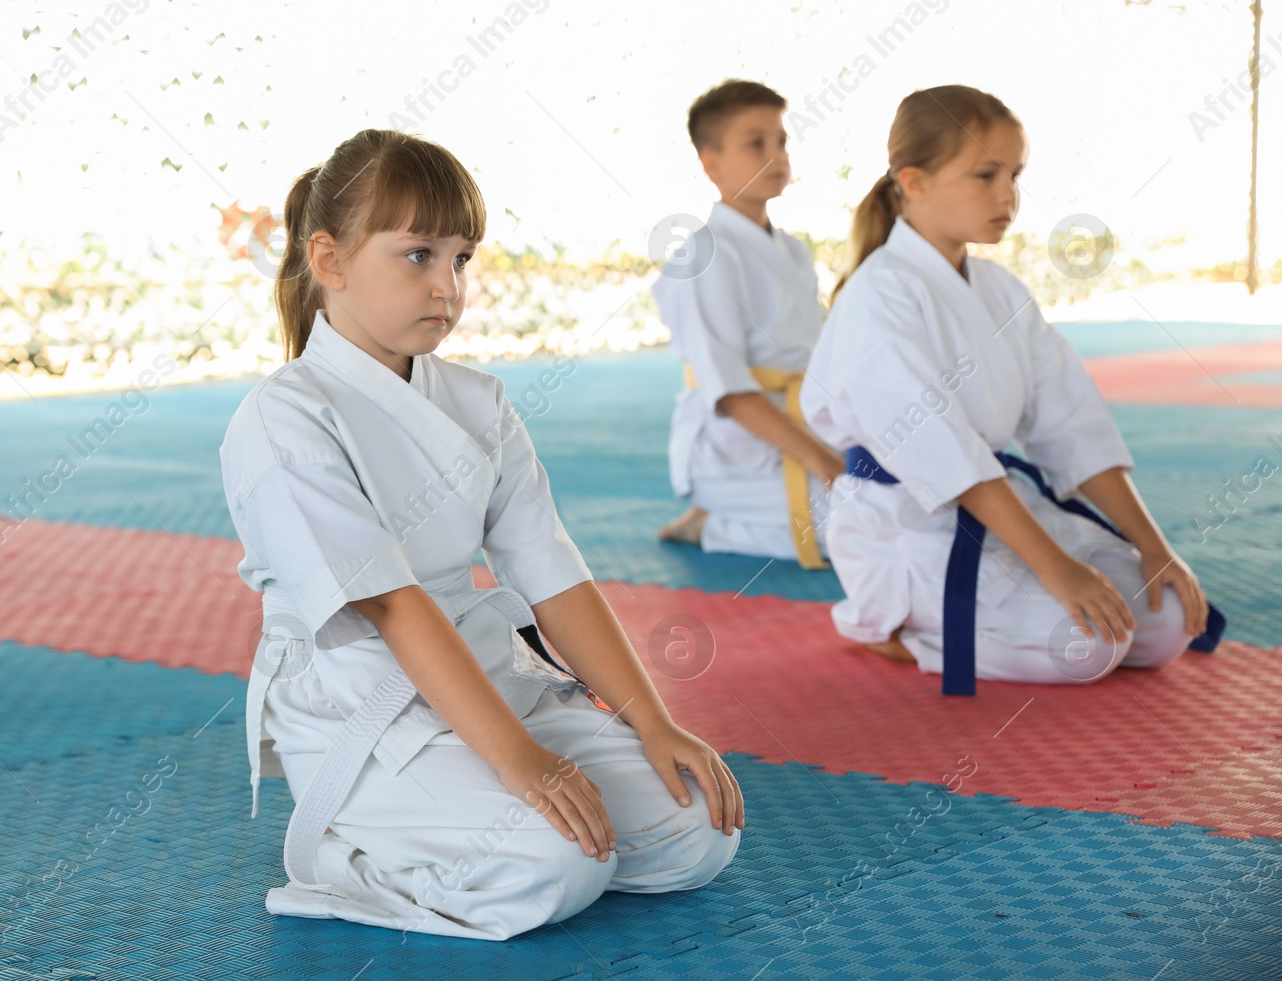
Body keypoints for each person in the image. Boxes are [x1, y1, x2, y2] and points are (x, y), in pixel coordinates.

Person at [220, 128, 741, 941]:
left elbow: (553, 574)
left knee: (698, 829)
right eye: (418, 254)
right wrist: (519, 761)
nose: (448, 285)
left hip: (486, 673)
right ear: (329, 259)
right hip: (364, 699)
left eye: (462, 259)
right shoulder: (283, 417)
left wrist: (651, 720)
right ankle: (347, 856)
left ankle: (491, 812)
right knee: (557, 862)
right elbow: (392, 607)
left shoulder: (478, 400)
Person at [799, 85, 1222, 694]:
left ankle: (1007, 609)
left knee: (1168, 620)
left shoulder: (1001, 291)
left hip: (1004, 506)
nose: (1008, 196)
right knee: (1089, 643)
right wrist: (1057, 570)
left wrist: (1153, 547)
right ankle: (890, 627)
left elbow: (1071, 427)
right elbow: (943, 456)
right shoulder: (878, 297)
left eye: (1015, 175)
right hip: (908, 526)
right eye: (985, 175)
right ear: (913, 182)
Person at [652, 79, 845, 567]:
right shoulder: (702, 256)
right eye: (755, 143)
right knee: (865, 525)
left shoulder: (793, 251)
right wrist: (823, 463)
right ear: (711, 163)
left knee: (909, 493)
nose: (775, 155)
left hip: (805, 423)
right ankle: (713, 524)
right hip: (730, 446)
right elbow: (731, 391)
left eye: (780, 141)